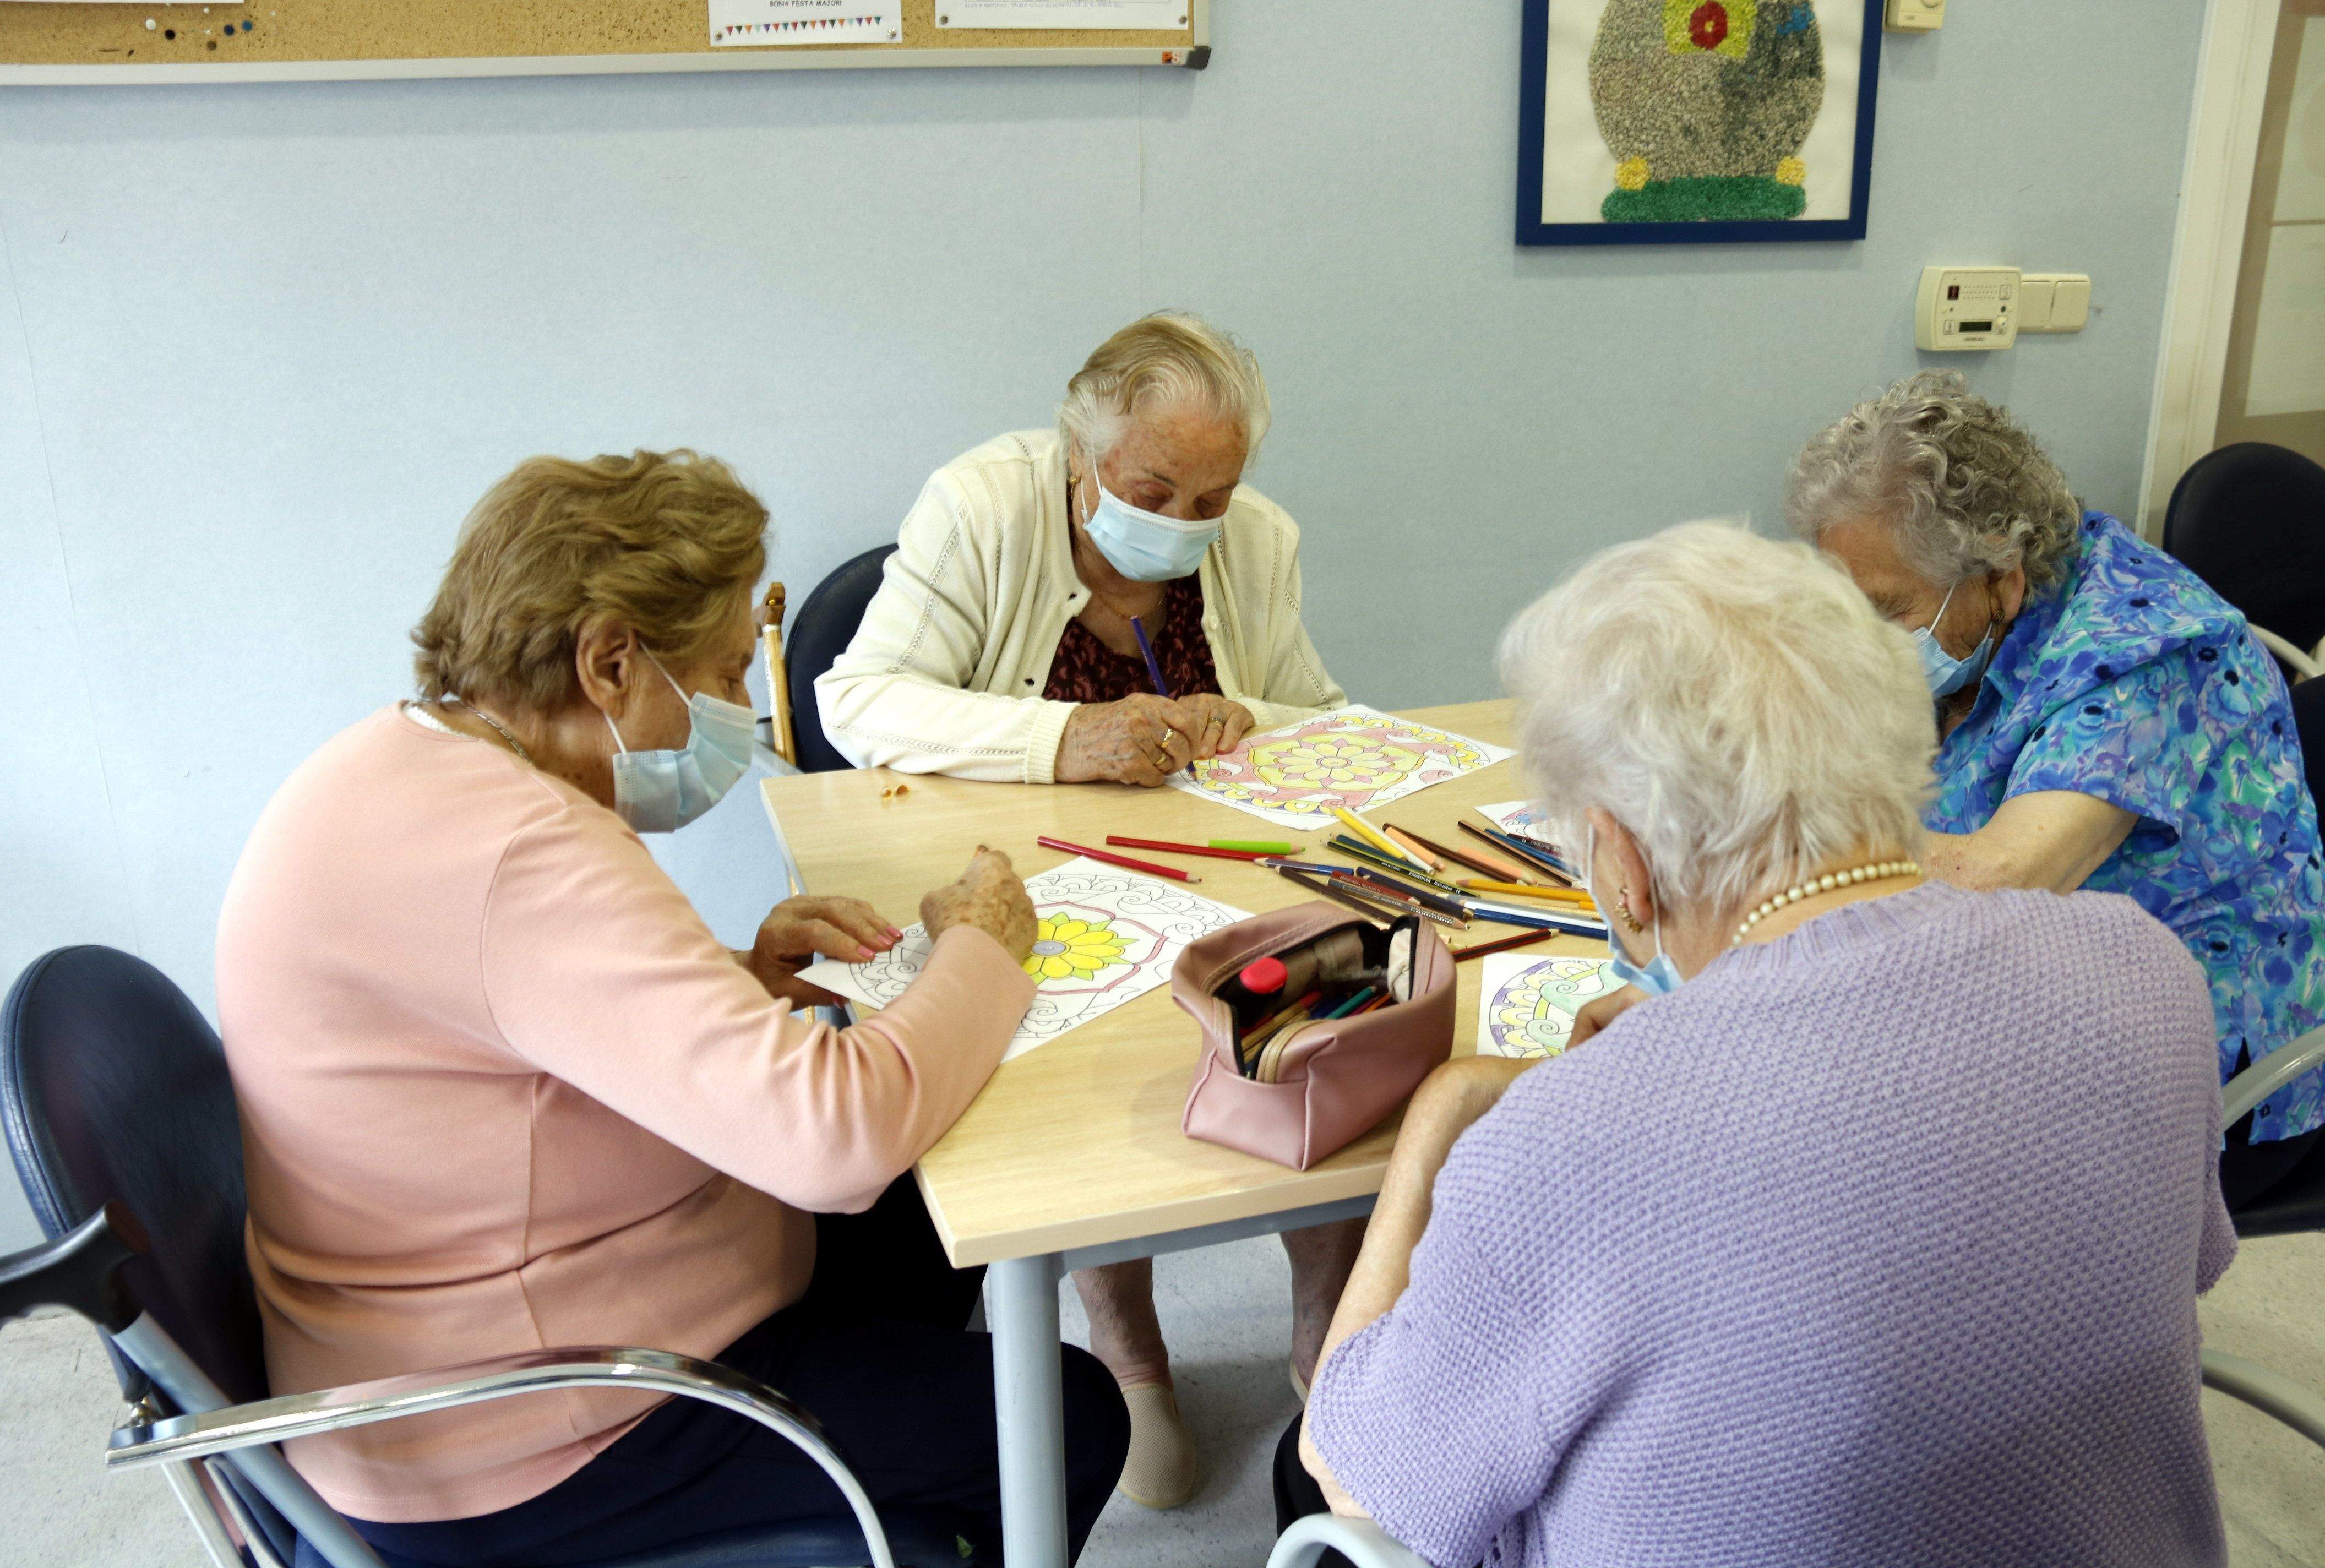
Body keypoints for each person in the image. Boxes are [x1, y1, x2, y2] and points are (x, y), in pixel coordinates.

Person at [217, 450, 1125, 1567]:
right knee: (1064, 1416)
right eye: (732, 671)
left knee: (939, 1208)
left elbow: (515, 1033)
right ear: (609, 659)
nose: (745, 712)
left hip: (475, 1331)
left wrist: (740, 978)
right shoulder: (522, 854)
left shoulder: (419, 763)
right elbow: (833, 1139)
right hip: (525, 1429)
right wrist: (984, 946)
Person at [1277, 521, 2235, 1567]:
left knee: (1301, 1464)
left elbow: (1358, 1470)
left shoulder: (1562, 1146)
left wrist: (1447, 1111)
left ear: (1623, 864)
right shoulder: (2145, 968)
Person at [818, 312, 1353, 1509]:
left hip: (1213, 868)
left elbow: (1318, 710)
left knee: (1328, 1030)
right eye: (1154, 483)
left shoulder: (1258, 539)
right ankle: (1132, 1355)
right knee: (1077, 1093)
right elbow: (855, 699)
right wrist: (1068, 733)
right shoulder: (982, 503)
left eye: (1214, 492)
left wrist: (1248, 716)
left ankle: (1326, 1341)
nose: (1186, 517)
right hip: (1028, 871)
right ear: (1078, 449)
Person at [1785, 371, 2325, 1208]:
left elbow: (1994, 880)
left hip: (2198, 1073)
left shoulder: (2146, 656)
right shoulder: (1983, 603)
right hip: (2020, 994)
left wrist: (1766, 846)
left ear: (2001, 576)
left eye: (1885, 612)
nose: (1858, 643)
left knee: (1804, 1141)